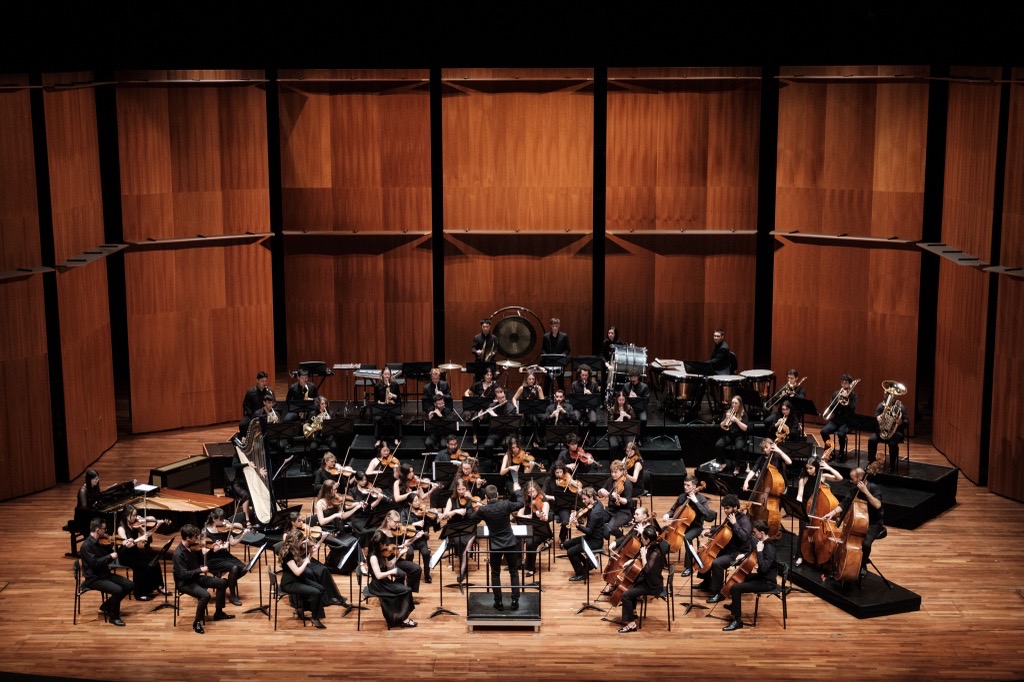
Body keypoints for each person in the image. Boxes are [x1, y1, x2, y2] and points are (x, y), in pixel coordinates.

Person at [822, 467, 884, 579]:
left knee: (865, 544)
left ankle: (863, 564)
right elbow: (845, 504)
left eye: (852, 478)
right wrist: (831, 513)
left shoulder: (873, 488)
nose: (850, 481)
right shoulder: (854, 489)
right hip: (857, 522)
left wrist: (865, 491)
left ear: (860, 478)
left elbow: (878, 505)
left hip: (874, 523)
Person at [469, 484, 524, 610]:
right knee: (514, 572)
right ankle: (515, 601)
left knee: (495, 574)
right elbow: (521, 503)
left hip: (495, 545)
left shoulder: (484, 510)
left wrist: (475, 507)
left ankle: (498, 602)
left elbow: (472, 519)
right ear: (497, 494)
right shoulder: (505, 504)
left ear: (486, 497)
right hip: (510, 543)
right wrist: (517, 491)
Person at [172, 524, 231, 635]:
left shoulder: (193, 548)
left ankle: (218, 612)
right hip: (184, 583)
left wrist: (206, 552)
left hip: (195, 578)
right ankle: (196, 622)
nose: (198, 539)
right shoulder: (178, 554)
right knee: (205, 595)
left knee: (222, 583)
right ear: (188, 538)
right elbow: (184, 575)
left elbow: (200, 561)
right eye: (195, 537)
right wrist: (200, 570)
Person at [722, 519, 778, 632]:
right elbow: (751, 554)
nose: (753, 534)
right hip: (762, 577)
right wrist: (740, 558)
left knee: (735, 588)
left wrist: (760, 552)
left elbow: (763, 568)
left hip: (767, 582)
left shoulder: (769, 548)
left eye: (755, 532)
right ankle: (735, 606)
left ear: (762, 533)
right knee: (742, 577)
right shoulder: (762, 542)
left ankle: (738, 621)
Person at [284, 512, 351, 606]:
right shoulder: (287, 535)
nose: (302, 522)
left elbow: (313, 548)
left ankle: (332, 595)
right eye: (299, 521)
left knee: (324, 569)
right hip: (297, 561)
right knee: (312, 573)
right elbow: (289, 552)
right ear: (292, 522)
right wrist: (302, 544)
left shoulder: (303, 531)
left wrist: (321, 539)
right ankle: (319, 598)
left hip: (306, 557)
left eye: (302, 519)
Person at [80, 518, 134, 626]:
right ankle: (113, 617)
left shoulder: (102, 542)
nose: (106, 531)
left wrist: (124, 546)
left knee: (129, 585)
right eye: (104, 529)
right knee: (118, 590)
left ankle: (107, 606)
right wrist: (110, 556)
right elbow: (95, 563)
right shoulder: (86, 546)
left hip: (105, 575)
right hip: (94, 578)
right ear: (97, 529)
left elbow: (115, 555)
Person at [698, 495, 752, 602]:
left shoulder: (744, 520)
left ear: (735, 507)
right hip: (728, 548)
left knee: (717, 563)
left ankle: (719, 593)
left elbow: (744, 536)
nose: (725, 510)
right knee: (706, 555)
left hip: (739, 552)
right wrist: (710, 530)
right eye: (724, 508)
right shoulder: (731, 516)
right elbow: (723, 527)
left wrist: (735, 524)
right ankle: (706, 583)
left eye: (727, 508)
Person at [616, 526, 666, 634]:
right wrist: (633, 561)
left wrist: (643, 556)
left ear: (648, 540)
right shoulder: (651, 546)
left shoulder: (655, 553)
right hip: (649, 580)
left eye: (642, 538)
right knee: (632, 584)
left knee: (626, 595)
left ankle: (631, 624)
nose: (641, 540)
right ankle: (632, 612)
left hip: (652, 585)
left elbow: (647, 570)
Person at [662, 476, 714, 577]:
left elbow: (707, 514)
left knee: (687, 538)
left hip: (696, 526)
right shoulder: (682, 497)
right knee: (664, 532)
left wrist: (696, 502)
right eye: (684, 485)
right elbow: (673, 509)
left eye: (688, 485)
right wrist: (668, 514)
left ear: (694, 486)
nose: (685, 487)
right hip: (681, 525)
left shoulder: (701, 499)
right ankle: (661, 561)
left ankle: (688, 567)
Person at [366, 530, 417, 628]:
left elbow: (389, 565)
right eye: (385, 544)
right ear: (381, 544)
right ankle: (403, 619)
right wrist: (392, 572)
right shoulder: (373, 557)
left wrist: (399, 554)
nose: (386, 545)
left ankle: (401, 617)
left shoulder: (380, 552)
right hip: (378, 585)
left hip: (384, 582)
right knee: (407, 590)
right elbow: (378, 575)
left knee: (404, 590)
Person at [115, 504, 167, 600]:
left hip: (134, 552)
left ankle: (159, 587)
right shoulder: (121, 529)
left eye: (136, 515)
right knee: (142, 566)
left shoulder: (136, 525)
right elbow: (127, 545)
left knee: (154, 561)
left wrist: (157, 525)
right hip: (125, 556)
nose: (136, 517)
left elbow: (146, 535)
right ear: (127, 516)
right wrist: (138, 539)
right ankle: (139, 593)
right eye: (133, 515)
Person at [278, 529, 328, 628]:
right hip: (289, 583)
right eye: (301, 541)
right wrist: (305, 562)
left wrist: (309, 554)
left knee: (320, 589)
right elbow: (297, 572)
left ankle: (301, 609)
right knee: (315, 592)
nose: (302, 543)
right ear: (296, 541)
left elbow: (299, 563)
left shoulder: (293, 550)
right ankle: (315, 618)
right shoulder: (288, 554)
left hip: (297, 580)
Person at [203, 508, 249, 606]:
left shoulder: (226, 528)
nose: (224, 522)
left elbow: (232, 543)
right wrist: (219, 547)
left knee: (244, 568)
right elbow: (205, 550)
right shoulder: (206, 531)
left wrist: (242, 535)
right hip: (212, 558)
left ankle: (225, 584)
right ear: (214, 519)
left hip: (224, 555)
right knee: (234, 568)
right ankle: (232, 595)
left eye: (224, 519)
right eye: (221, 520)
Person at [563, 487, 610, 581]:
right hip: (591, 537)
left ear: (591, 496)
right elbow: (586, 510)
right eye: (582, 499)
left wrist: (577, 525)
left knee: (571, 552)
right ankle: (589, 563)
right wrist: (577, 513)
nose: (583, 501)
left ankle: (581, 574)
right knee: (566, 544)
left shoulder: (595, 513)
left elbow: (588, 531)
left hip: (595, 541)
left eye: (585, 499)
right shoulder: (596, 503)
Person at [440, 478, 479, 584]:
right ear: (456, 489)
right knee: (458, 541)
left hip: (469, 527)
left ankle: (462, 571)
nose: (461, 491)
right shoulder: (451, 500)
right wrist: (455, 511)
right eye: (459, 489)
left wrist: (474, 503)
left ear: (466, 488)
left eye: (463, 489)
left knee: (468, 544)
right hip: (455, 528)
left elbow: (478, 514)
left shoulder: (471, 499)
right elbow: (444, 515)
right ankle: (463, 562)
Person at [378, 510, 423, 593]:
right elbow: (387, 563)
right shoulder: (380, 534)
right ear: (388, 519)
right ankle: (398, 593)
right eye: (395, 522)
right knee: (401, 574)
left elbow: (403, 544)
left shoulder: (396, 532)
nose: (398, 524)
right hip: (385, 563)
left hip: (396, 560)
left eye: (399, 522)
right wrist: (401, 553)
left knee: (417, 569)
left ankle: (408, 594)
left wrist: (415, 537)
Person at [821, 374, 858, 462]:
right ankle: (830, 449)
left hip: (847, 421)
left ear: (850, 384)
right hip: (836, 419)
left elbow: (852, 409)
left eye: (846, 383)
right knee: (823, 431)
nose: (843, 385)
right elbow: (831, 408)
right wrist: (838, 400)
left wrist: (846, 399)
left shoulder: (853, 396)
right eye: (842, 383)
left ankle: (841, 452)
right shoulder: (836, 393)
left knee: (841, 434)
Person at [517, 480, 550, 576]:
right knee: (515, 538)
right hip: (529, 528)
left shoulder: (543, 501)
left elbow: (546, 518)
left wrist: (541, 515)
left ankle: (531, 568)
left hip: (541, 530)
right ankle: (518, 563)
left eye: (533, 492)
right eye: (529, 492)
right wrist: (524, 516)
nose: (532, 494)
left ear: (537, 490)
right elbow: (521, 511)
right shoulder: (527, 500)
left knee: (531, 543)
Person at [868, 399, 909, 473]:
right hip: (882, 431)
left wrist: (901, 422)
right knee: (872, 439)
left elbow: (907, 422)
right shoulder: (881, 406)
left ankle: (892, 465)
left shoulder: (901, 407)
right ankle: (871, 462)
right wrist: (877, 418)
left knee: (892, 443)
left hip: (896, 432)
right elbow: (874, 418)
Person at [478, 386, 518, 458]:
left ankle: (507, 461)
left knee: (505, 444)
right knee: (487, 445)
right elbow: (486, 420)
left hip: (508, 433)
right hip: (495, 432)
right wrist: (481, 417)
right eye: (500, 398)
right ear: (496, 399)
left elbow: (507, 422)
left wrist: (494, 415)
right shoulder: (491, 406)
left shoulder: (511, 408)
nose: (502, 399)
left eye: (503, 397)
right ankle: (492, 461)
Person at [598, 459, 634, 539]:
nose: (613, 475)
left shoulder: (627, 484)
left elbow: (628, 502)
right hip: (611, 510)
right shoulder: (610, 480)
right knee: (596, 520)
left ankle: (621, 540)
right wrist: (601, 491)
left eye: (615, 472)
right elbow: (600, 494)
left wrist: (619, 498)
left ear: (622, 471)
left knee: (612, 528)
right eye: (612, 472)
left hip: (623, 512)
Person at [715, 395, 750, 476]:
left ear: (740, 404)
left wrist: (736, 420)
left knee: (738, 447)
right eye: (732, 403)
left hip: (740, 436)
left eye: (736, 403)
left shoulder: (744, 414)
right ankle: (723, 463)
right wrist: (725, 419)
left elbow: (745, 428)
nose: (733, 405)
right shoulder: (728, 412)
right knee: (718, 445)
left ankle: (737, 466)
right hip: (730, 435)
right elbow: (721, 426)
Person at [373, 366, 402, 447]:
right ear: (382, 375)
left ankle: (396, 438)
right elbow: (375, 401)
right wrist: (380, 403)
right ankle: (378, 439)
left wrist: (393, 396)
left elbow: (399, 399)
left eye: (388, 374)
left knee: (397, 418)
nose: (387, 376)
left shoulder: (395, 384)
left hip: (392, 407)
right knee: (377, 418)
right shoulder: (377, 386)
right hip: (382, 408)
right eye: (385, 374)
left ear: (390, 375)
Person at [512, 371, 546, 437]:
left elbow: (542, 401)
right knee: (534, 421)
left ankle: (542, 436)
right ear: (526, 380)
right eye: (529, 379)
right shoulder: (522, 388)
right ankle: (535, 439)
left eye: (533, 379)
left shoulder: (538, 388)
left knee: (544, 418)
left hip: (536, 410)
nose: (531, 381)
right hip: (527, 411)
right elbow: (514, 398)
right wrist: (517, 407)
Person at [240, 370, 274, 436]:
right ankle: (245, 440)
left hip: (266, 414)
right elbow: (245, 405)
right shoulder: (250, 392)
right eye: (262, 381)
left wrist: (270, 408)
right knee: (242, 424)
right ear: (257, 381)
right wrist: (251, 414)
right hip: (253, 414)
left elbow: (275, 402)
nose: (264, 383)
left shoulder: (269, 391)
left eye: (265, 381)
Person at [542, 317, 571, 390]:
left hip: (559, 362)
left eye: (556, 326)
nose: (555, 328)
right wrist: (546, 356)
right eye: (553, 326)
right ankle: (546, 398)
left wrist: (562, 355)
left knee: (560, 382)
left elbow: (567, 349)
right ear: (550, 326)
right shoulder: (546, 336)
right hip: (549, 362)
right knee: (547, 382)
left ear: (559, 326)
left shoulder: (564, 336)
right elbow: (543, 349)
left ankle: (562, 398)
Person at [621, 370, 650, 445]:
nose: (633, 379)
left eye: (634, 377)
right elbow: (621, 398)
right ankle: (625, 438)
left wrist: (637, 397)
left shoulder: (644, 387)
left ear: (638, 377)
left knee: (643, 419)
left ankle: (641, 438)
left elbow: (647, 400)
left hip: (640, 409)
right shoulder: (626, 386)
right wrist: (628, 398)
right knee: (622, 416)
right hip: (629, 408)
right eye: (631, 377)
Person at [570, 364, 601, 434]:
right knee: (574, 419)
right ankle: (580, 434)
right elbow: (572, 400)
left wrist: (591, 395)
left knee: (593, 421)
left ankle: (586, 435)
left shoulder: (593, 384)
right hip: (578, 408)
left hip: (590, 408)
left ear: (589, 375)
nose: (584, 377)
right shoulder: (574, 384)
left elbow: (598, 399)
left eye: (586, 375)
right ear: (579, 375)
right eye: (582, 375)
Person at [607, 392, 635, 460]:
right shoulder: (613, 409)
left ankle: (628, 463)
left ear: (625, 400)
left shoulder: (629, 408)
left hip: (627, 431)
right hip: (615, 432)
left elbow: (634, 419)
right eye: (620, 400)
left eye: (623, 400)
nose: (621, 402)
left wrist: (627, 415)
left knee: (630, 445)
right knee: (614, 445)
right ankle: (613, 463)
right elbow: (610, 423)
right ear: (617, 400)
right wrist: (619, 419)